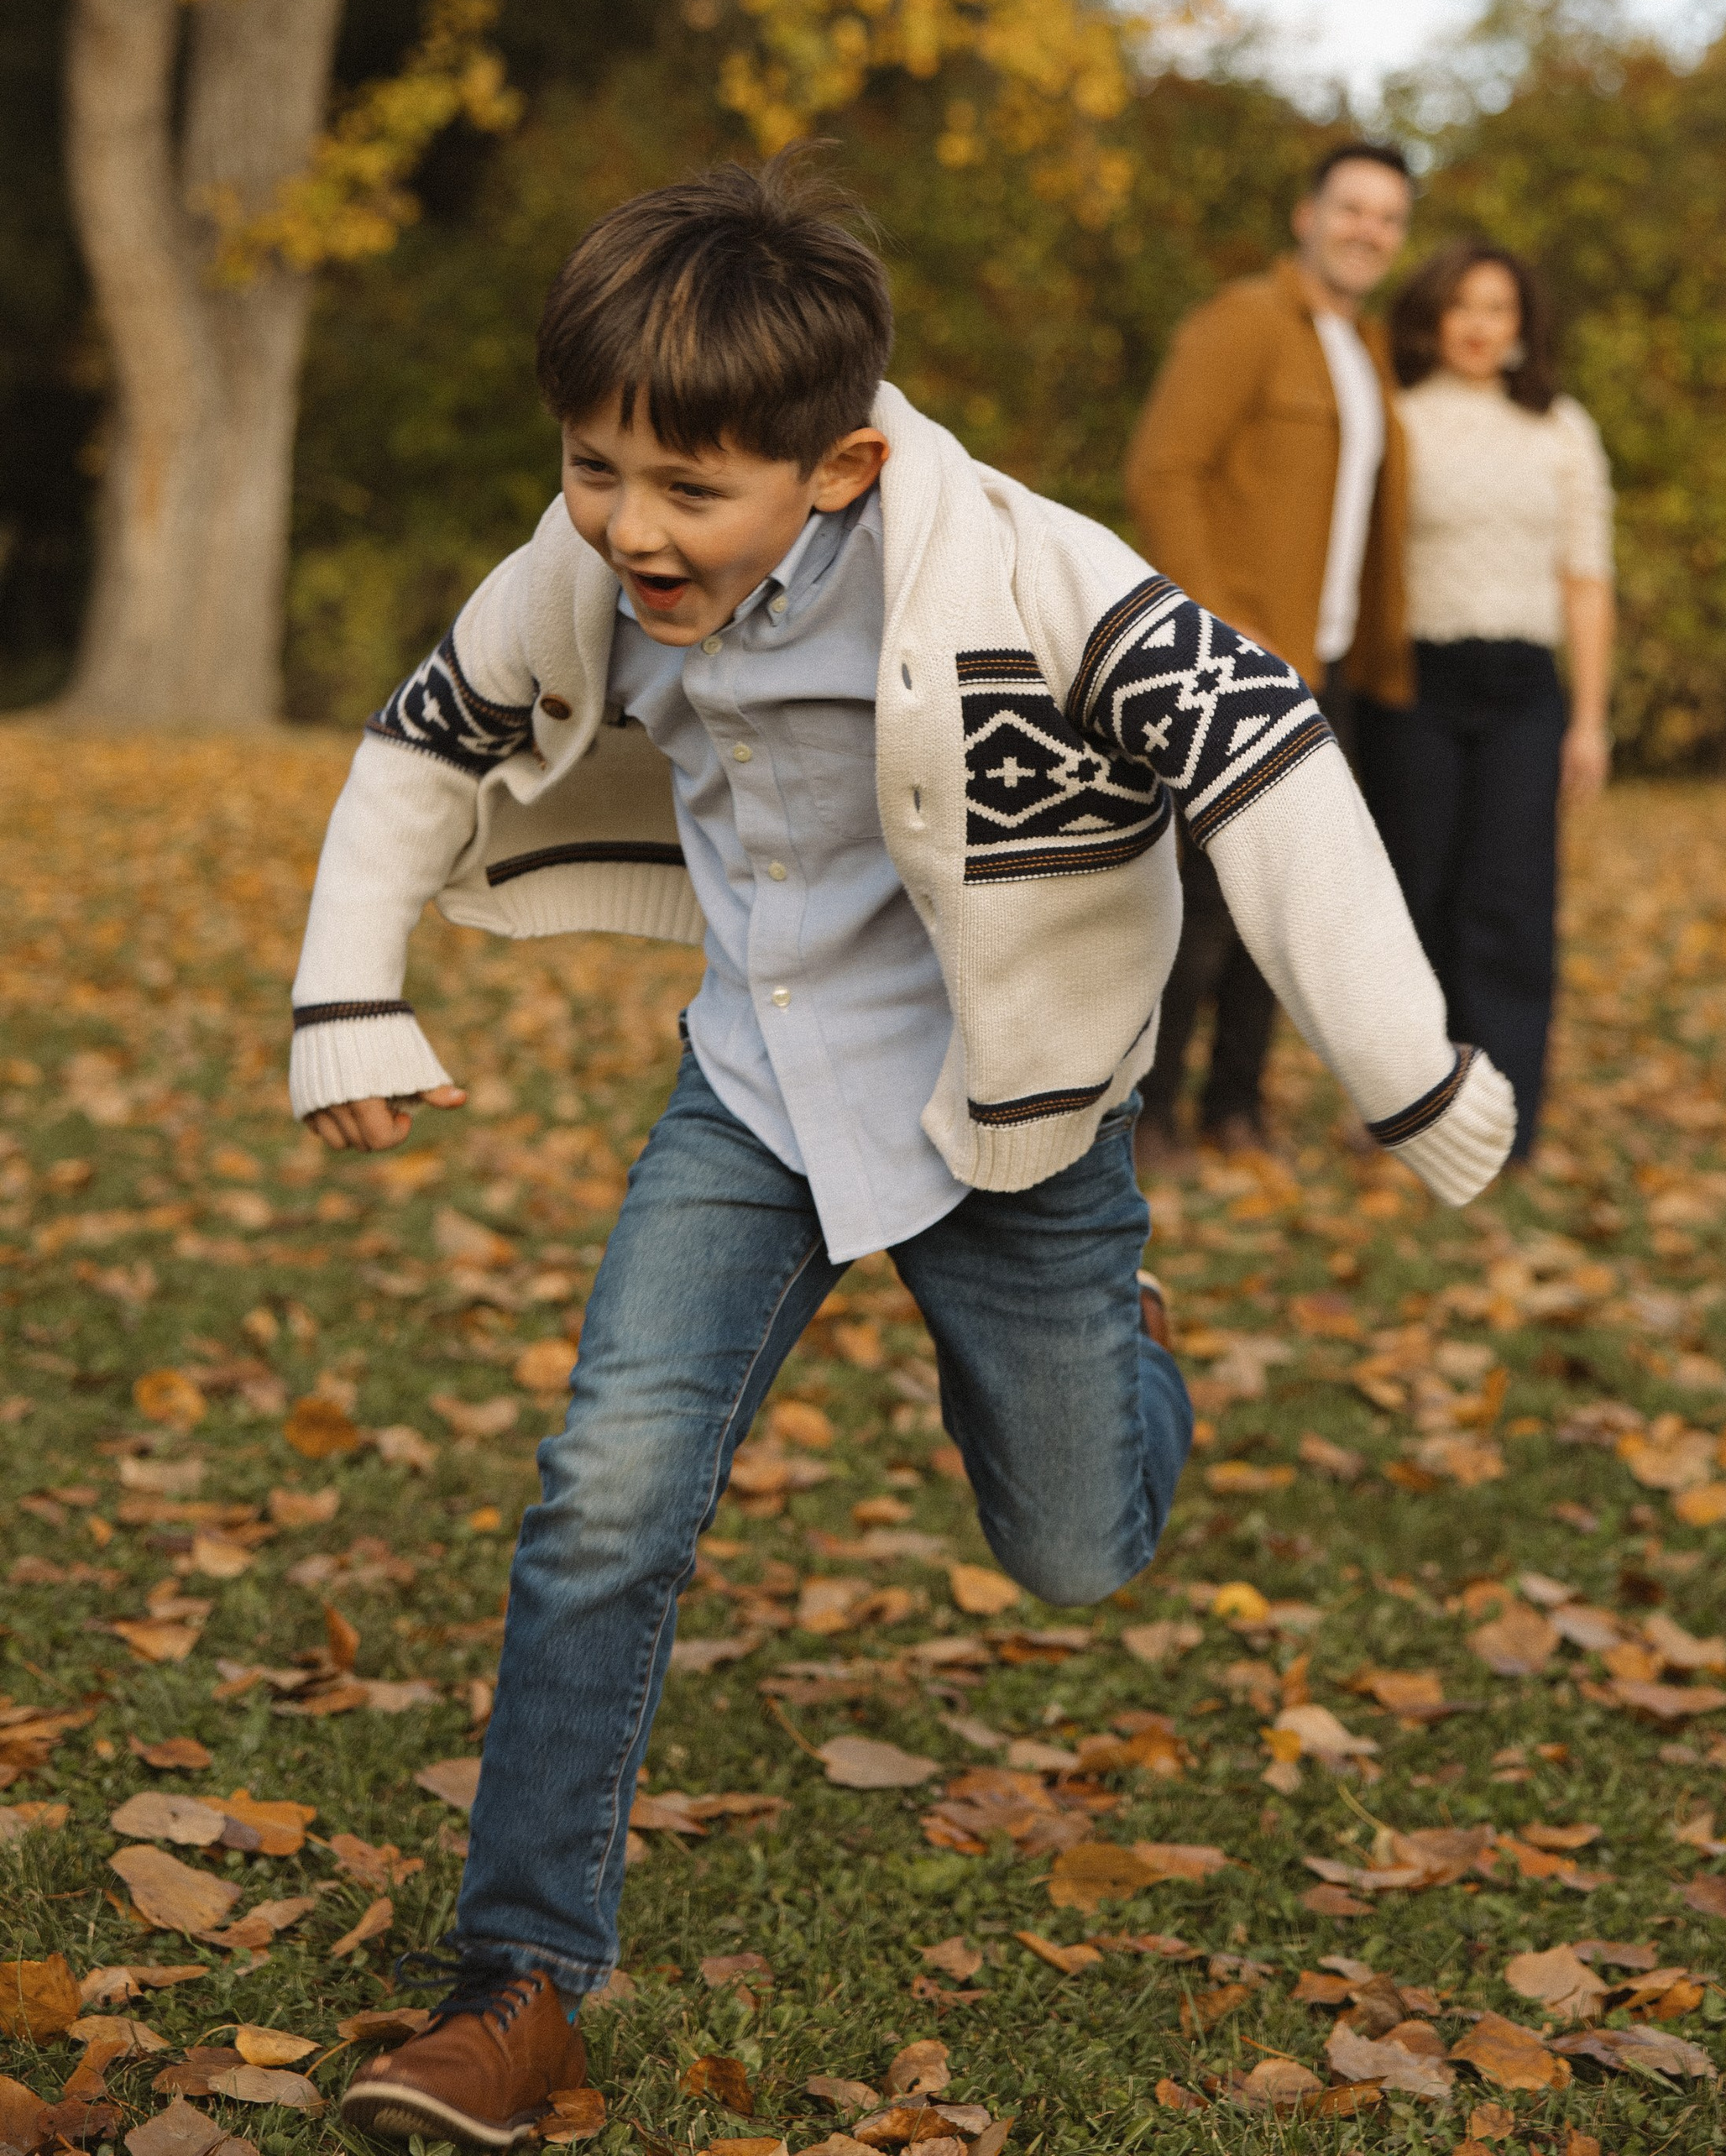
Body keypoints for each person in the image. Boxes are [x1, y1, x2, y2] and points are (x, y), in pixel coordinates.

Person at [290, 153, 1513, 2143]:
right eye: (596, 467)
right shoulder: (583, 554)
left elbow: (1269, 762)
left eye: (685, 491)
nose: (625, 528)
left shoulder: (1043, 578)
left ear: (837, 466)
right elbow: (427, 732)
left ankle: (1124, 1368)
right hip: (755, 1091)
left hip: (1014, 1119)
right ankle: (513, 1987)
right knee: (604, 1493)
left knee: (1068, 1541)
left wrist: (1405, 1079)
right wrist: (352, 989)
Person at [1123, 139, 1415, 1162]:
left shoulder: (1366, 348)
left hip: (1326, 670)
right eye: (1351, 207)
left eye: (1387, 216)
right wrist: (1216, 622)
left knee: (1285, 908)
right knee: (1197, 902)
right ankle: (1146, 1114)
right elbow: (1164, 469)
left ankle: (1235, 1109)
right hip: (1238, 668)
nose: (1367, 229)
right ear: (1308, 214)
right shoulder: (1244, 323)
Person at [1357, 238, 1614, 1164]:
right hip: (1414, 686)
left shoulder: (1560, 429)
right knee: (1412, 899)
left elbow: (1585, 577)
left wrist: (1587, 720)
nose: (1478, 324)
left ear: (1521, 326)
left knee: (1508, 904)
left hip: (1522, 693)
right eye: (1461, 305)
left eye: (1497, 308)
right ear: (1431, 318)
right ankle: (1412, 1117)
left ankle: (1505, 1122)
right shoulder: (1396, 419)